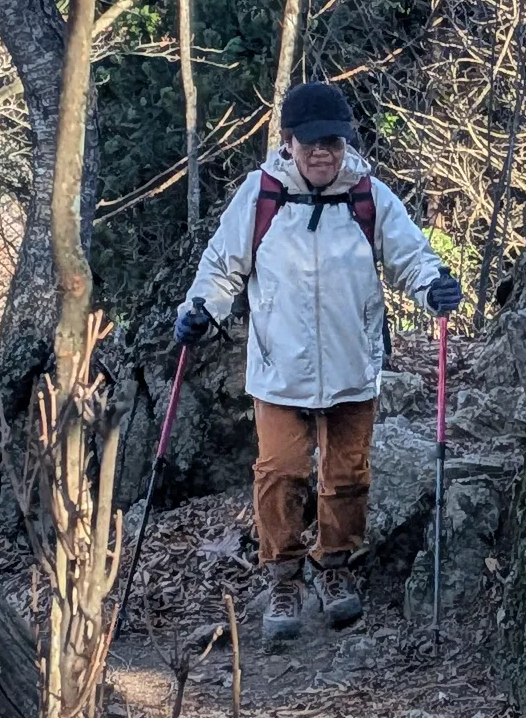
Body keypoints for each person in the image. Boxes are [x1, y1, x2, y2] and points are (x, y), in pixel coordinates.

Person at [174, 81, 461, 644]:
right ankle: (283, 576)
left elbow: (411, 257)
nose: (323, 152)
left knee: (346, 476)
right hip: (280, 371)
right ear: (288, 143)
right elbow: (221, 269)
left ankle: (335, 568)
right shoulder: (261, 197)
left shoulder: (369, 196)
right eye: (311, 143)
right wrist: (200, 311)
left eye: (332, 141)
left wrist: (434, 287)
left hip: (353, 367)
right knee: (280, 473)